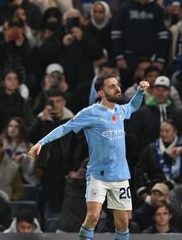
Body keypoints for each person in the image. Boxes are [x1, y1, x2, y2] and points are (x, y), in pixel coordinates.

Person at [29, 74, 150, 240]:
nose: (117, 89)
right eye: (112, 86)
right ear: (101, 92)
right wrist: (42, 142)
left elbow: (133, 107)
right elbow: (65, 128)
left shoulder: (120, 110)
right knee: (93, 216)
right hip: (97, 175)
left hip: (120, 175)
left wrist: (140, 92)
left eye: (117, 85)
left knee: (123, 222)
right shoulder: (89, 113)